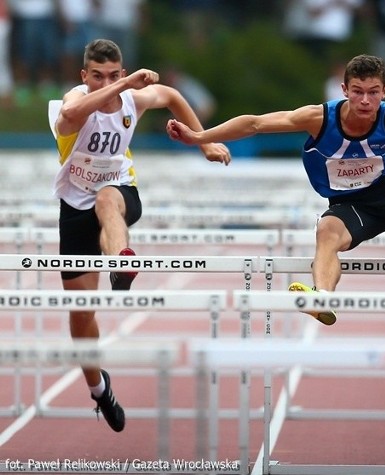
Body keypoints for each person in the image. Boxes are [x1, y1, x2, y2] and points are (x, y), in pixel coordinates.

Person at [167, 54, 385, 325]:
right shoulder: (318, 119)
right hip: (351, 206)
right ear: (344, 89)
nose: (365, 100)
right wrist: (199, 137)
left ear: (384, 91)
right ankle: (321, 297)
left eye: (372, 92)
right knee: (326, 232)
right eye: (357, 91)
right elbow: (255, 123)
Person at [52, 39, 231, 431]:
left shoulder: (133, 100)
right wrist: (123, 84)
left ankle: (121, 264)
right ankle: (99, 388)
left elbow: (170, 94)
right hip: (73, 208)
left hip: (119, 192)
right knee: (81, 315)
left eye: (113, 75)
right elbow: (70, 114)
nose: (105, 83)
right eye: (96, 77)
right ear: (85, 77)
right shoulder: (73, 101)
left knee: (107, 199)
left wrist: (202, 143)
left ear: (121, 71)